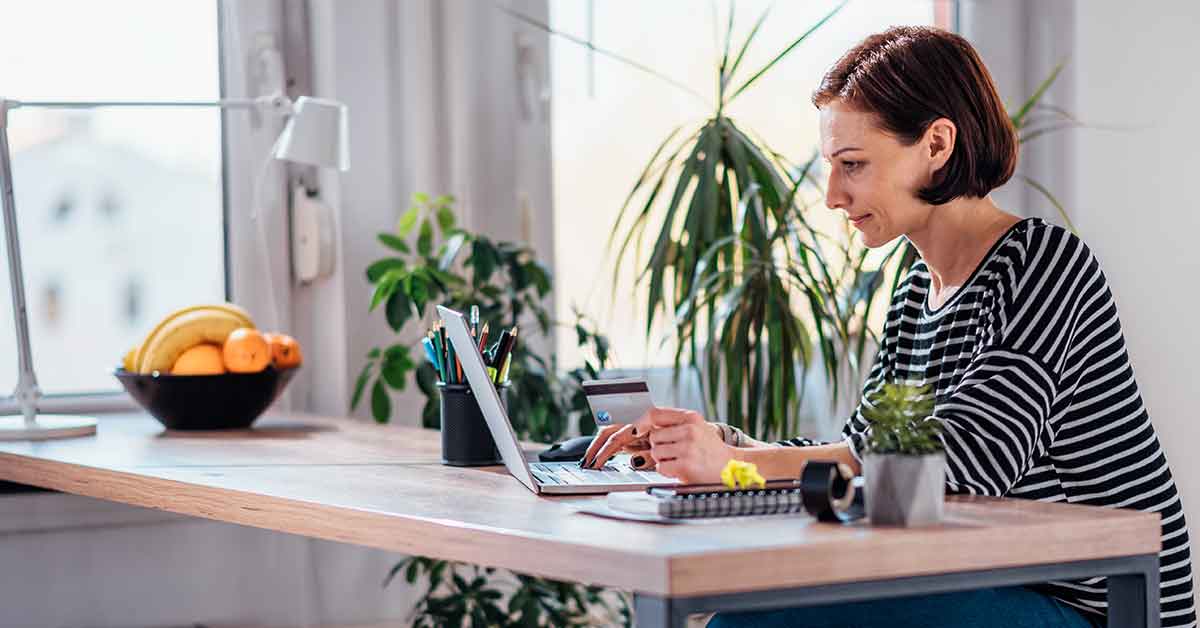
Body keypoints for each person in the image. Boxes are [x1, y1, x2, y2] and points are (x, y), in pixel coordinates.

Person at [583, 26, 1194, 627]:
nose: (830, 195)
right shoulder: (913, 290)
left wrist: (731, 466)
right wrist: (721, 446)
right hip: (994, 580)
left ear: (936, 145)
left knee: (760, 620)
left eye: (852, 165)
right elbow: (865, 450)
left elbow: (964, 460)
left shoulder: (1044, 264)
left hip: (1098, 603)